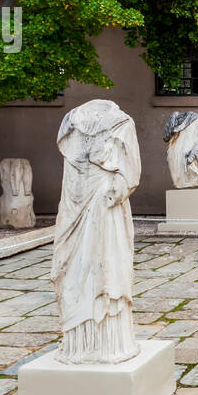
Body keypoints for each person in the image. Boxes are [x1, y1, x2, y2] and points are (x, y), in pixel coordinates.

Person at [53, 100, 141, 365]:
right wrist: (120, 185)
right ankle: (80, 344)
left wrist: (118, 188)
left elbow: (129, 175)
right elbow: (130, 174)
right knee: (75, 268)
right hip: (77, 203)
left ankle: (107, 344)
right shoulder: (73, 124)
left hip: (103, 203)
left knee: (105, 267)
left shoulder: (120, 123)